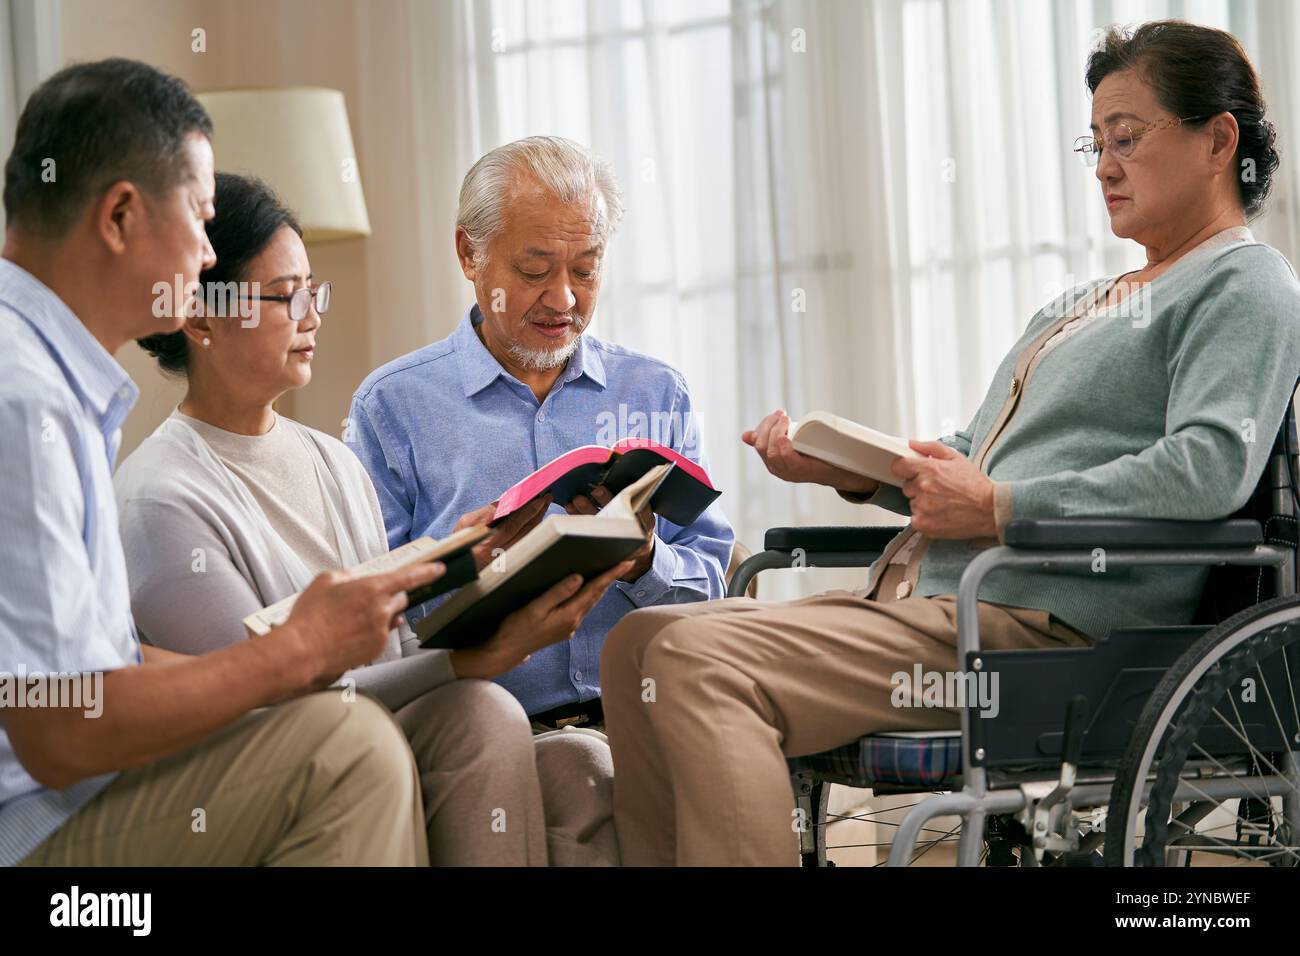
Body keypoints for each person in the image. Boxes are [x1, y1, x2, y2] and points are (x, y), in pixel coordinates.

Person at [600, 19, 1300, 865]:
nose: (1106, 165)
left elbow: (1210, 469)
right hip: (943, 603)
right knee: (636, 645)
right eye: (1096, 143)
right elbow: (972, 455)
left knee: (695, 661)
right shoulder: (1086, 302)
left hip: (1051, 629)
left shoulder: (1244, 281)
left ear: (1218, 140)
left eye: (1127, 137)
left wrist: (1001, 507)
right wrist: (857, 472)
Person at [0, 58, 441, 867]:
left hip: (75, 795)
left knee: (342, 729)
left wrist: (277, 670)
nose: (207, 257)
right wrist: (293, 651)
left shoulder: (50, 381)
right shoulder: (24, 401)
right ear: (121, 216)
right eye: (201, 219)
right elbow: (58, 725)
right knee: (343, 749)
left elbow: (91, 667)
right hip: (35, 828)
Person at [118, 171, 629, 866]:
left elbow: (389, 653)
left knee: (574, 763)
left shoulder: (333, 460)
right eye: (284, 295)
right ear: (200, 318)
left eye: (312, 290)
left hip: (377, 722)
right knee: (481, 711)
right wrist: (471, 662)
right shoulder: (160, 497)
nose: (311, 314)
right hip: (281, 769)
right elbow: (266, 704)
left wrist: (473, 566)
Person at [347, 136, 734, 729]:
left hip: (649, 719)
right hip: (484, 728)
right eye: (534, 271)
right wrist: (464, 567)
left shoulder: (656, 393)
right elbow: (369, 627)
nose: (564, 299)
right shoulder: (392, 407)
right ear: (469, 254)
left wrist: (644, 562)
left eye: (586, 270)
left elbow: (715, 587)